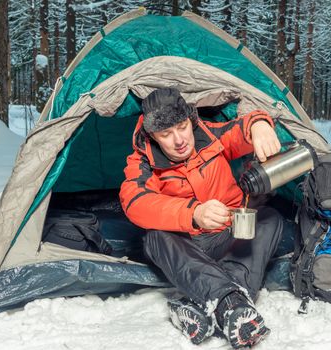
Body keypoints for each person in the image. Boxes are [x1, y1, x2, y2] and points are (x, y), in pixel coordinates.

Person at [120, 87, 283, 348]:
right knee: (154, 237)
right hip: (188, 247)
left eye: (182, 127)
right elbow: (135, 201)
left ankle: (204, 302)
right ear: (153, 136)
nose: (179, 140)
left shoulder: (209, 135)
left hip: (228, 236)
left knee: (269, 217)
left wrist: (260, 124)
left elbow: (240, 128)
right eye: (166, 134)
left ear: (190, 120)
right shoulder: (142, 161)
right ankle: (229, 303)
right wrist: (193, 213)